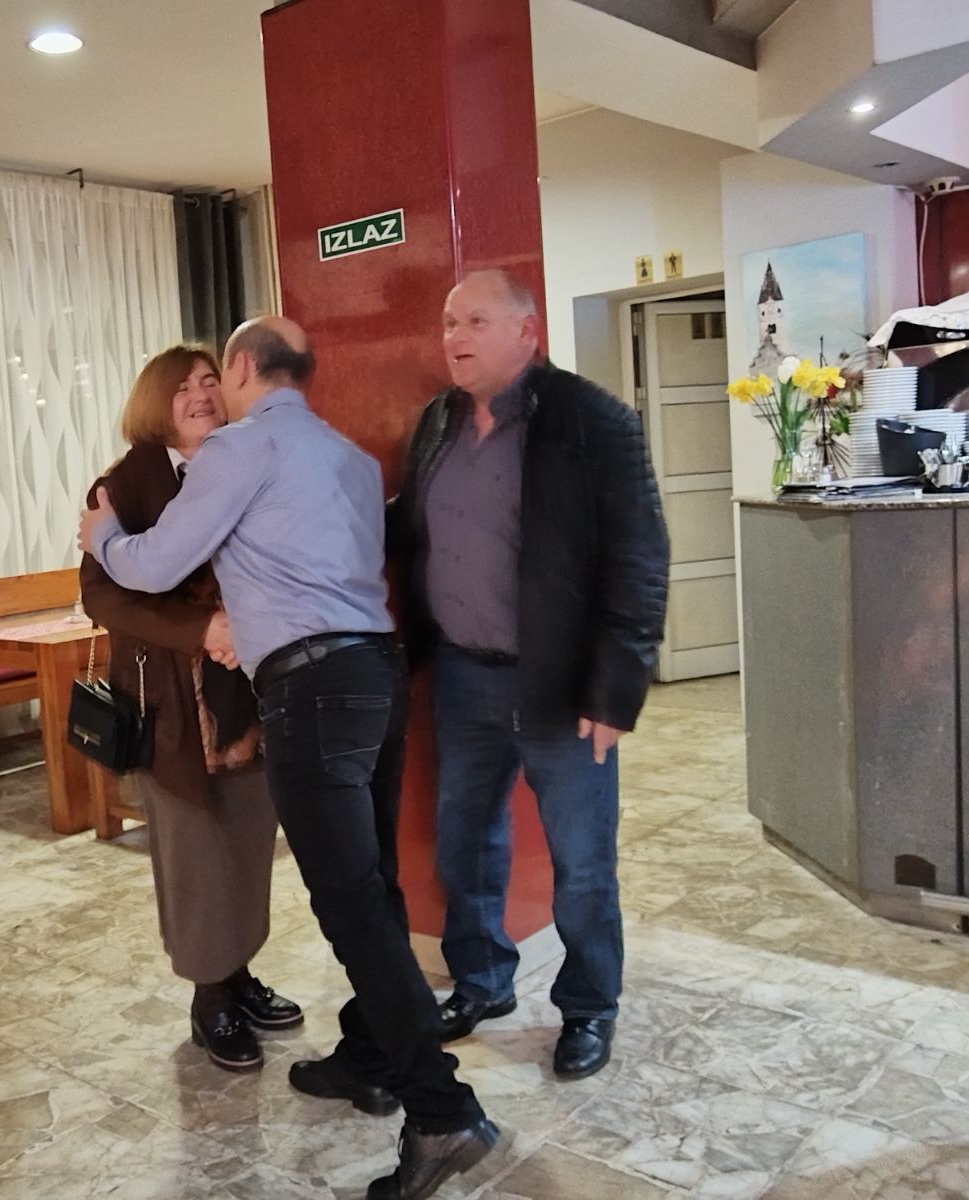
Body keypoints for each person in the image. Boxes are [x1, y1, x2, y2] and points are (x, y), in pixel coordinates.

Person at [79, 316, 501, 1200]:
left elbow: (152, 566)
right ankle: (373, 1055)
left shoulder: (239, 449)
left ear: (240, 367)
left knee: (351, 905)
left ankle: (441, 1112)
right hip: (378, 673)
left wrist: (104, 538)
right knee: (373, 885)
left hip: (311, 690)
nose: (208, 394)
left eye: (214, 377)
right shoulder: (348, 456)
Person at [390, 269, 669, 1081]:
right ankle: (482, 982)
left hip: (563, 685)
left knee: (582, 863)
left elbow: (639, 559)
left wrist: (614, 691)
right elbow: (413, 529)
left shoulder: (594, 420)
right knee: (465, 843)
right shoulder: (437, 421)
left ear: (526, 331)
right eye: (448, 322)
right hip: (464, 676)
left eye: (475, 321)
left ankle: (589, 1007)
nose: (455, 337)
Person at [78, 344, 302, 1074]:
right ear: (155, 403)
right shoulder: (123, 485)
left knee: (247, 838)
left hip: (249, 691)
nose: (201, 394)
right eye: (181, 387)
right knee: (195, 851)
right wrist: (200, 629)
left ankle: (238, 974)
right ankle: (210, 997)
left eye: (210, 380)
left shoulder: (246, 464)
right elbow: (102, 596)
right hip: (173, 702)